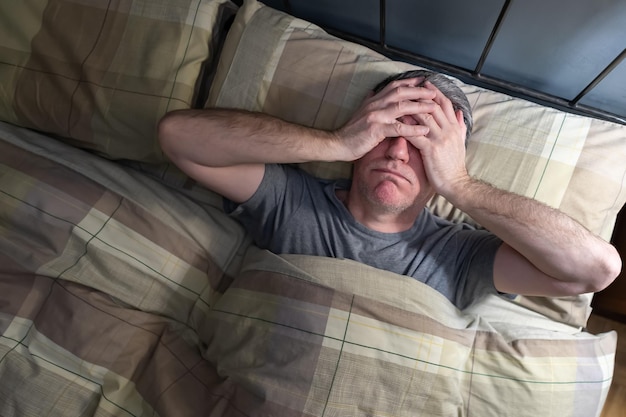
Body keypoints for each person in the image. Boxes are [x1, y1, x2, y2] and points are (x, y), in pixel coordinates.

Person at [158, 69, 621, 308]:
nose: (399, 152)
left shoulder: (459, 256)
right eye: (387, 130)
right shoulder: (291, 200)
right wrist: (336, 142)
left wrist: (459, 184)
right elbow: (178, 137)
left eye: (422, 139)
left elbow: (595, 270)